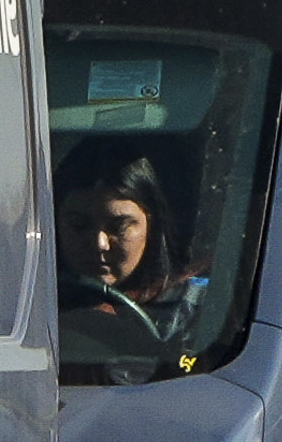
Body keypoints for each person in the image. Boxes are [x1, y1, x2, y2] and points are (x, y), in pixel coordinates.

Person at [65, 151, 194, 365]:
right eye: (79, 225)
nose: (100, 244)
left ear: (151, 226)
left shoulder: (186, 310)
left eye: (119, 227)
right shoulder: (24, 310)